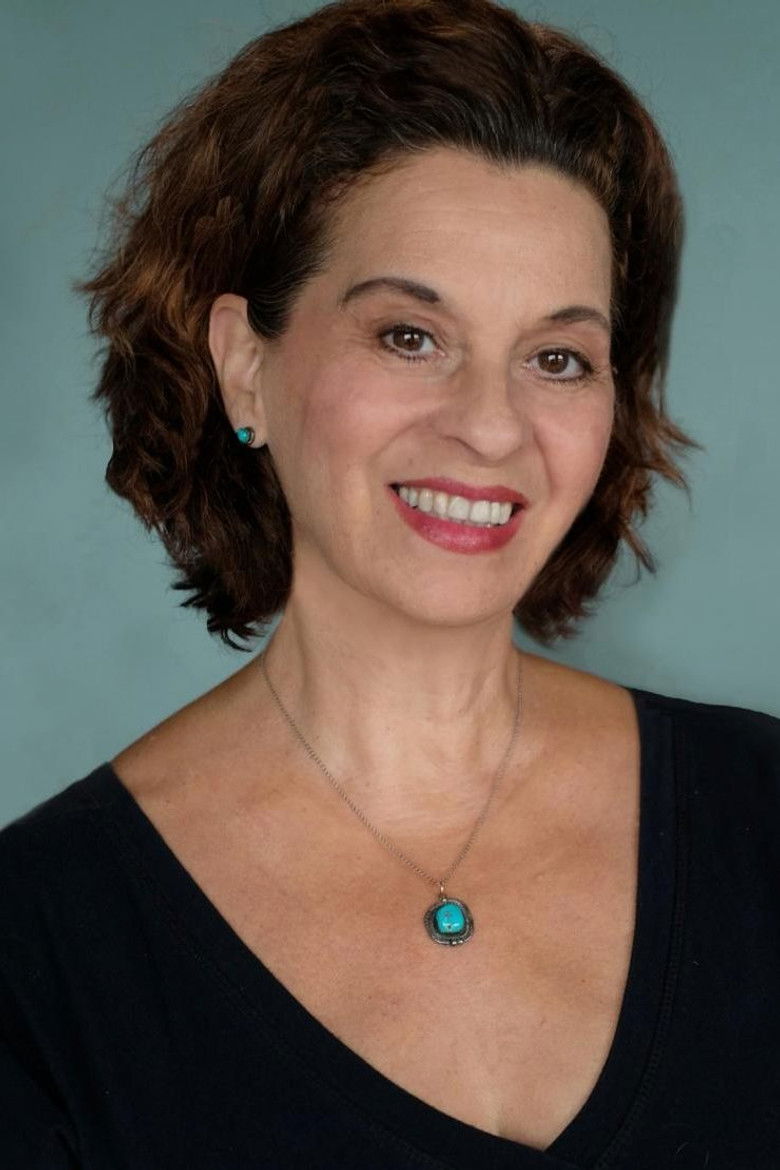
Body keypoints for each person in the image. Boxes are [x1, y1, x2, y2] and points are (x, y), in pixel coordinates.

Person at [2, 0, 779, 1166]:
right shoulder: (40, 952)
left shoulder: (763, 815)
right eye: (410, 336)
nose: (491, 427)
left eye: (557, 358)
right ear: (245, 366)